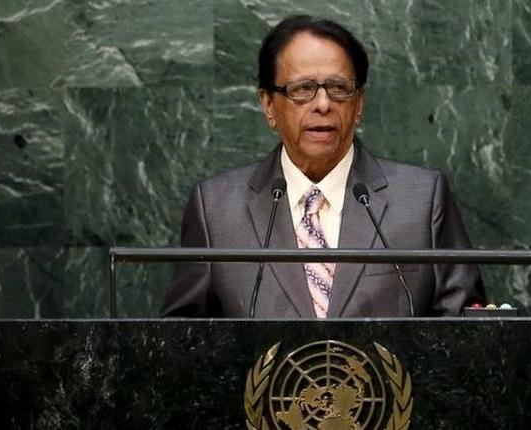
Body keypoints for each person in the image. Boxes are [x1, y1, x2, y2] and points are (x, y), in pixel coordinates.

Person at [162, 15, 484, 318]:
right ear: (269, 106)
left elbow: (466, 334)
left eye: (339, 88)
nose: (323, 104)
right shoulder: (215, 210)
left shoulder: (422, 201)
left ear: (359, 105)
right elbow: (183, 343)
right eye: (302, 89)